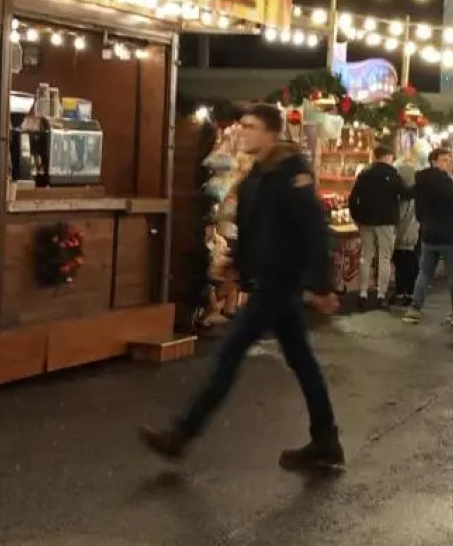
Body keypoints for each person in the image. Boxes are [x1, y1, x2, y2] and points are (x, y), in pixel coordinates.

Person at [141, 103, 344, 471]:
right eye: (242, 126)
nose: (243, 132)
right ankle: (325, 439)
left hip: (279, 283)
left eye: (250, 126)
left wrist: (320, 284)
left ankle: (182, 433)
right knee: (301, 361)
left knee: (229, 354)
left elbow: (313, 230)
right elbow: (254, 229)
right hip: (268, 281)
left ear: (270, 132)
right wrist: (237, 265)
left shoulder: (291, 174)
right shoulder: (258, 174)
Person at [403, 147, 453, 327]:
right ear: (434, 161)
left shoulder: (421, 179)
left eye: (449, 160)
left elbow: (408, 195)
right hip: (449, 235)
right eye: (444, 160)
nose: (448, 163)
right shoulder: (446, 182)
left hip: (428, 233)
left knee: (424, 274)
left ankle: (414, 310)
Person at [347, 144, 407, 309]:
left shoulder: (364, 174)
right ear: (388, 157)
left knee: (366, 257)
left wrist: (356, 217)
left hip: (366, 221)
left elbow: (352, 198)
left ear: (374, 156)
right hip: (386, 222)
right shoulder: (393, 175)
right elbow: (404, 194)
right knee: (384, 258)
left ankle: (363, 294)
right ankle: (381, 295)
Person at [390, 151, 420, 307]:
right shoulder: (416, 193)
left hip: (402, 234)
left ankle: (403, 292)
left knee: (402, 262)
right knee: (410, 262)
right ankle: (410, 293)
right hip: (412, 233)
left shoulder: (400, 196)